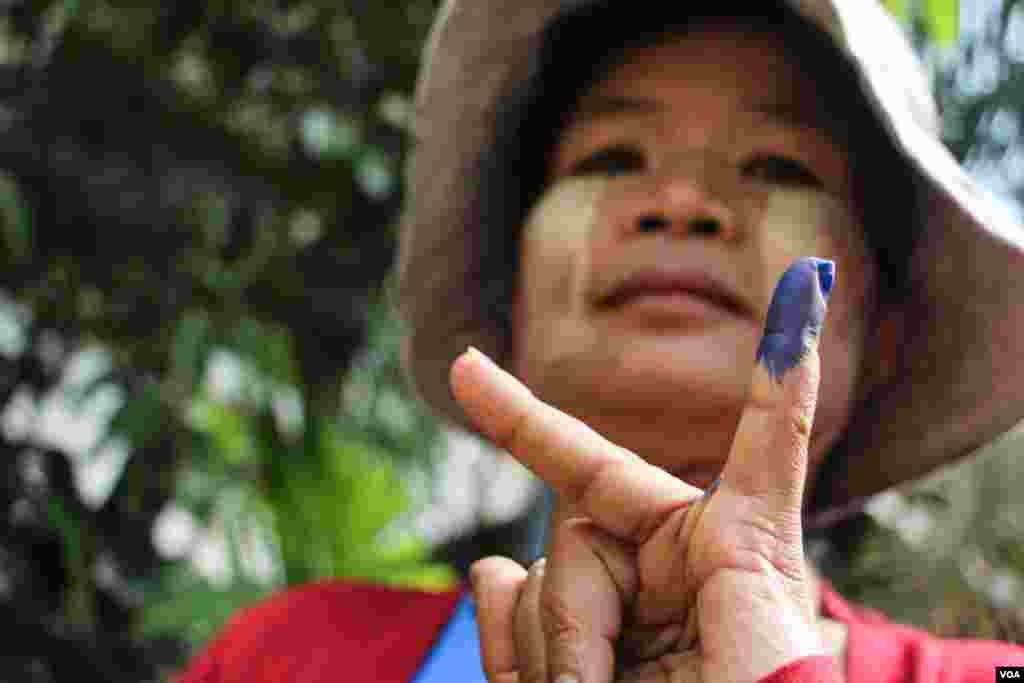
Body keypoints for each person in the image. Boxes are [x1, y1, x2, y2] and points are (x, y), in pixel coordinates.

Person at [177, 1, 1024, 682]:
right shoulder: (287, 655)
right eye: (612, 156)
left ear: (884, 334)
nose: (679, 201)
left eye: (778, 166)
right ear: (516, 297)